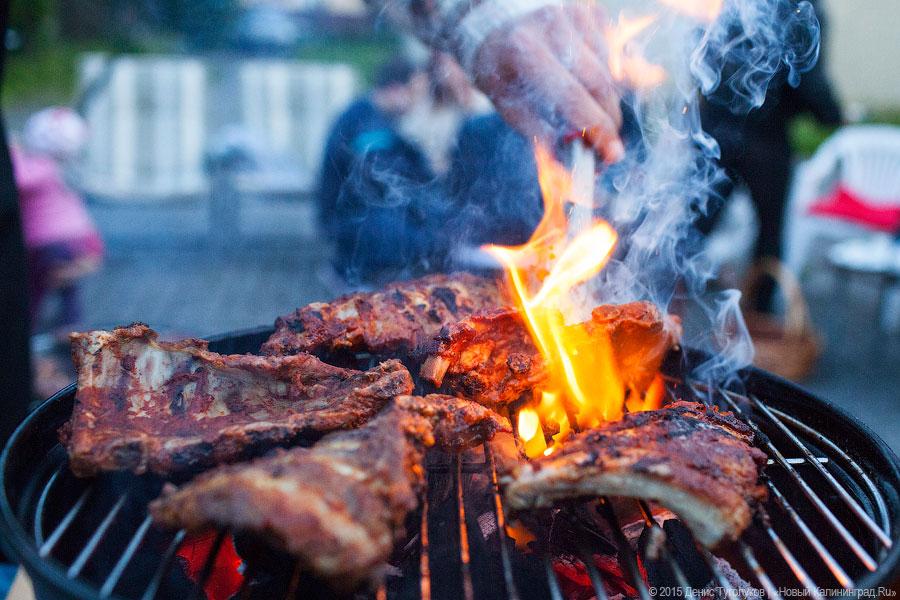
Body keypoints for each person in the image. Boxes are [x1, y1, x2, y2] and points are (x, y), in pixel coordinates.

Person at [697, 0, 842, 310]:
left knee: (695, 227)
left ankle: (664, 301)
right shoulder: (803, 9)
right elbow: (809, 79)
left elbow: (702, 61)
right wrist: (832, 113)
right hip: (766, 142)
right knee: (769, 240)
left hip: (717, 135)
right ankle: (758, 319)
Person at [13, 107, 103, 333]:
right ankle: (70, 327)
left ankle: (27, 328)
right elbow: (77, 212)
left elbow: (19, 180)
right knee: (68, 291)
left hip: (45, 241)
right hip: (72, 240)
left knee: (34, 287)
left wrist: (13, 153)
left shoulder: (41, 166)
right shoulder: (67, 169)